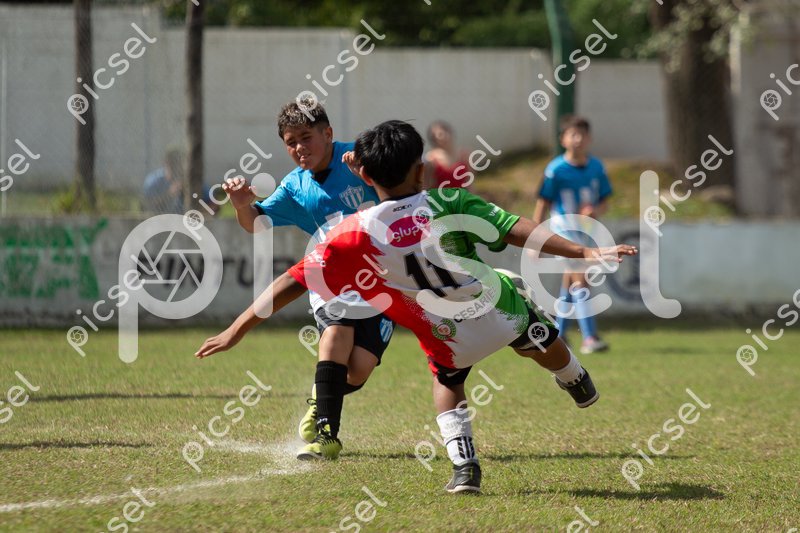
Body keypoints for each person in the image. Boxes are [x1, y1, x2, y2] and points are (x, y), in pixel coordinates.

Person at [197, 120, 637, 493]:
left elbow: (293, 281)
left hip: (447, 336)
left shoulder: (353, 234)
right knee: (537, 334)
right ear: (421, 170)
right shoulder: (448, 202)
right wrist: (584, 251)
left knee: (448, 383)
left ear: (364, 176)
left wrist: (237, 329)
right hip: (496, 312)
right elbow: (515, 229)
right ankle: (573, 377)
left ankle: (465, 468)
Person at [222, 99, 394, 460]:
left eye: (306, 137)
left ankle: (321, 397)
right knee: (337, 333)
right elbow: (257, 223)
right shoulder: (294, 186)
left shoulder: (360, 156)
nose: (299, 147)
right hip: (331, 276)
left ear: (327, 133)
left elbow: (402, 192)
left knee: (358, 370)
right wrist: (241, 205)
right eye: (291, 142)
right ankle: (327, 437)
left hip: (381, 278)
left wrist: (370, 174)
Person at [532, 115, 613, 354]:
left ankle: (558, 335)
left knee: (570, 283)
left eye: (582, 135)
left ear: (589, 139)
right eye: (573, 135)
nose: (578, 140)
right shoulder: (555, 169)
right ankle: (590, 337)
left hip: (585, 232)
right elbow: (542, 203)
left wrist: (594, 210)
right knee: (582, 278)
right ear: (563, 139)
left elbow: (604, 202)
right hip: (563, 231)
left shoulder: (597, 167)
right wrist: (535, 239)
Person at [423, 120, 471, 190]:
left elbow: (469, 183)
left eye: (443, 133)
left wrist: (473, 196)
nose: (442, 137)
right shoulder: (431, 159)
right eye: (438, 135)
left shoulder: (464, 155)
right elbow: (426, 185)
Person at [142, 149, 184, 214]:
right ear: (166, 163)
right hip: (158, 217)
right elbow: (147, 204)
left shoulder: (185, 180)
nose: (177, 168)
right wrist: (169, 194)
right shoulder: (154, 181)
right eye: (173, 164)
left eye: (179, 164)